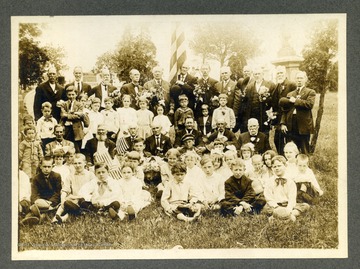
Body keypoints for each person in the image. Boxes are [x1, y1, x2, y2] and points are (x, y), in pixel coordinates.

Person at [263, 155, 310, 222]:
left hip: (288, 205)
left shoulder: (290, 182)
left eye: (279, 166)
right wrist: (276, 206)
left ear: (285, 166)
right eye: (274, 167)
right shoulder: (269, 181)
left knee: (305, 206)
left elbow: (292, 198)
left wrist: (288, 209)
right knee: (266, 208)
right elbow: (268, 197)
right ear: (272, 168)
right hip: (275, 206)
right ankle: (284, 217)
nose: (277, 168)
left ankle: (286, 215)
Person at [53, 153, 97, 223]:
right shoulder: (70, 176)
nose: (77, 165)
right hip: (74, 199)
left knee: (78, 204)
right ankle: (56, 217)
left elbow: (95, 189)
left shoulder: (90, 175)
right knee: (67, 202)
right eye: (75, 163)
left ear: (84, 163)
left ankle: (64, 218)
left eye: (79, 163)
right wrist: (62, 199)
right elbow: (65, 190)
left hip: (86, 201)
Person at [279, 71, 316, 154]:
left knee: (304, 150)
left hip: (303, 125)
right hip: (290, 125)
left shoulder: (310, 92)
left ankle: (305, 165)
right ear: (295, 80)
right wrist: (283, 123)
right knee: (291, 149)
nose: (299, 80)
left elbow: (309, 104)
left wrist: (295, 100)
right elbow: (285, 110)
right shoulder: (290, 94)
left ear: (305, 79)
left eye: (301, 78)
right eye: (297, 78)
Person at [23, 157, 62, 225]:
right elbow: (34, 194)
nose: (46, 169)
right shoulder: (36, 178)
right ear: (40, 166)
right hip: (41, 201)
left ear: (52, 167)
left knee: (48, 209)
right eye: (44, 166)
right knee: (35, 205)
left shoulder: (57, 176)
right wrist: (37, 201)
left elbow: (57, 192)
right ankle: (29, 218)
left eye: (49, 167)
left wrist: (51, 202)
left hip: (52, 202)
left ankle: (40, 216)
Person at [271, 65, 297, 155]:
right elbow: (274, 102)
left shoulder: (292, 85)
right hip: (279, 118)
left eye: (281, 73)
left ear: (285, 74)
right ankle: (282, 158)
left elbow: (295, 102)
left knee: (289, 140)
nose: (279, 75)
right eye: (278, 73)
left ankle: (291, 158)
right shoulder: (277, 86)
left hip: (289, 117)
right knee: (277, 140)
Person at [243, 66, 276, 133]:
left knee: (264, 133)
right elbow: (246, 101)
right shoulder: (250, 86)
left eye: (259, 74)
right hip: (252, 114)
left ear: (262, 74)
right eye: (255, 74)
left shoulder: (270, 85)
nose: (257, 76)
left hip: (264, 113)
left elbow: (274, 100)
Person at [60, 86, 90, 152]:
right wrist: (74, 114)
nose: (71, 96)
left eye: (73, 94)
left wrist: (68, 115)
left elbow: (78, 116)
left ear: (76, 94)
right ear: (67, 95)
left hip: (77, 129)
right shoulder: (64, 104)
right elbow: (62, 115)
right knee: (66, 147)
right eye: (69, 95)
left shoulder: (79, 104)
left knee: (77, 148)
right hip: (67, 129)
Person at [235, 65, 254, 133]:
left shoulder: (254, 81)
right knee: (243, 128)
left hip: (251, 109)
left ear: (251, 72)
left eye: (248, 71)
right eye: (245, 71)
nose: (246, 73)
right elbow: (237, 92)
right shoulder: (241, 81)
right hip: (242, 109)